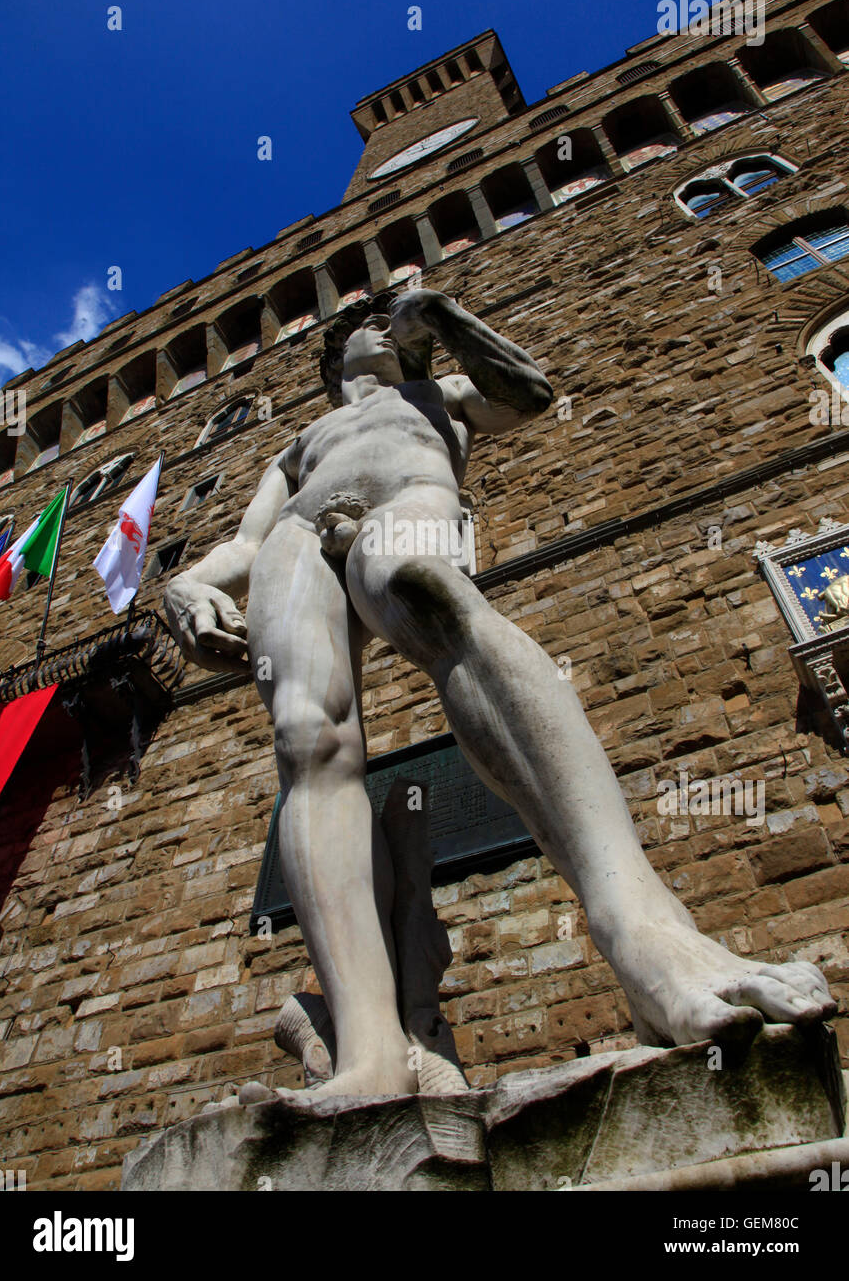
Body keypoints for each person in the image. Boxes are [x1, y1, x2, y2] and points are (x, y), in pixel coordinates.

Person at [164, 287, 835, 1100]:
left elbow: (528, 391)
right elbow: (243, 541)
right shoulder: (301, 442)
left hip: (407, 499)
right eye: (367, 324)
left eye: (392, 319)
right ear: (336, 357)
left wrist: (439, 318)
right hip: (298, 543)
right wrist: (187, 587)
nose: (385, 326)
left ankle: (650, 937)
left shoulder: (438, 394)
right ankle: (370, 1057)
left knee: (428, 592)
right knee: (307, 740)